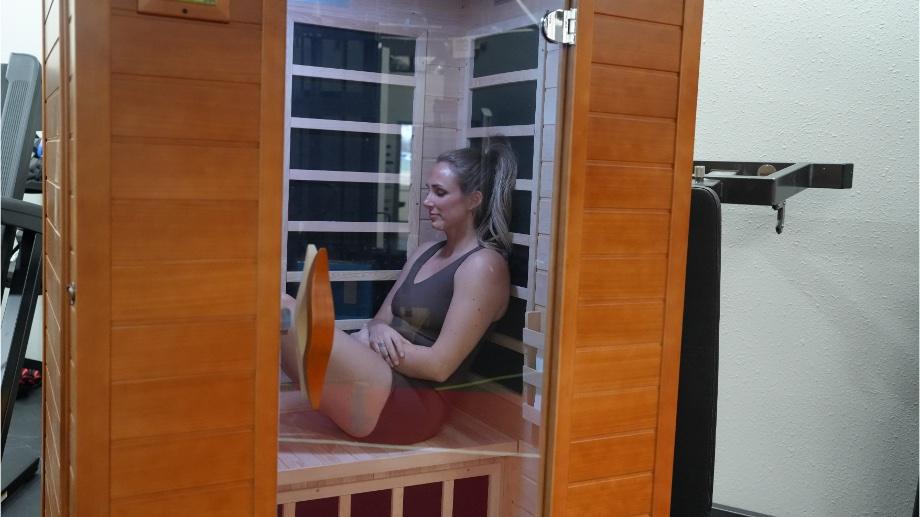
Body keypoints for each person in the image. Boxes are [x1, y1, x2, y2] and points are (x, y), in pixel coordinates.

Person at [281, 141, 517, 445]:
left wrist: (372, 341)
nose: (427, 201)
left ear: (473, 200)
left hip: (411, 404)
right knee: (281, 317)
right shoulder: (425, 252)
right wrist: (375, 333)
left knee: (286, 311)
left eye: (440, 192)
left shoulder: (484, 267)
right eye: (428, 190)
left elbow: (439, 366)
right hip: (378, 378)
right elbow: (379, 322)